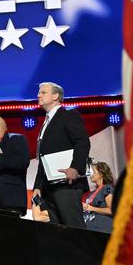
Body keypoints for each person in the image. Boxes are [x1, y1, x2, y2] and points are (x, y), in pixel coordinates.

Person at [32, 82, 91, 228]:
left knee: (74, 228)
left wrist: (75, 168)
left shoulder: (68, 114)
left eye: (43, 92)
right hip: (50, 187)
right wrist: (38, 186)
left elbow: (82, 142)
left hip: (67, 184)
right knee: (58, 232)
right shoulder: (45, 123)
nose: (38, 95)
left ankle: (84, 252)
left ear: (56, 96)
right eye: (39, 92)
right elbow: (43, 158)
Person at [83, 161, 114, 233]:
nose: (91, 174)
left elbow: (111, 210)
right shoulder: (92, 193)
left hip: (103, 229)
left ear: (101, 174)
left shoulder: (107, 188)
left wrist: (91, 208)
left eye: (93, 171)